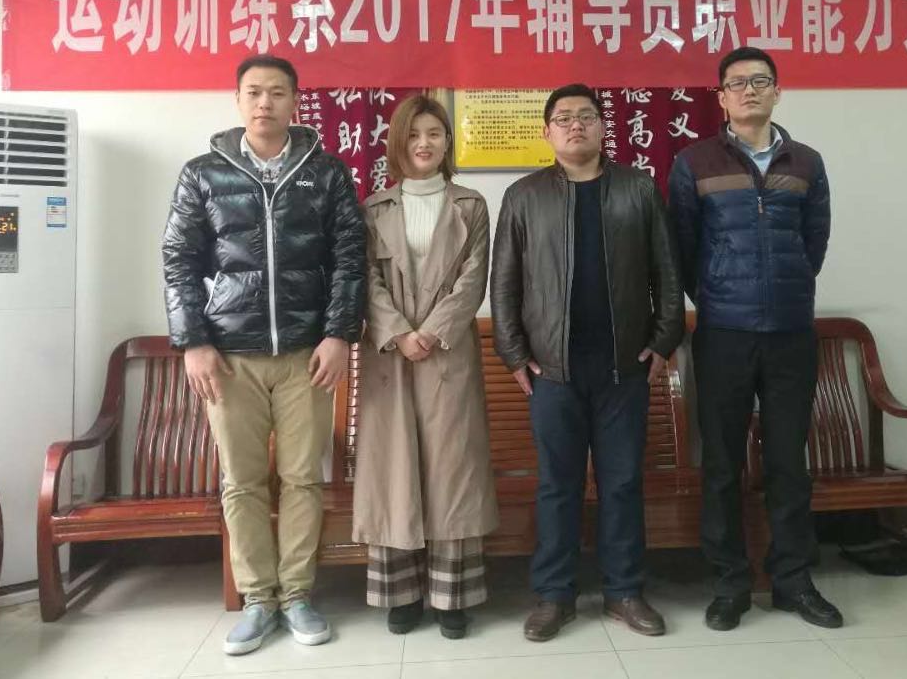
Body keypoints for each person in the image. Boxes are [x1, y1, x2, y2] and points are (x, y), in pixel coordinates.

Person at [162, 54, 367, 655]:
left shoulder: (326, 172)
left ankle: (297, 595)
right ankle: (258, 600)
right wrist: (194, 341)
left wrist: (339, 334)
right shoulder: (203, 173)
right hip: (230, 356)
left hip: (307, 353)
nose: (265, 103)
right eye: (254, 92)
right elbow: (178, 261)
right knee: (242, 482)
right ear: (238, 100)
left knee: (303, 478)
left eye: (277, 92)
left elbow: (350, 257)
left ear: (296, 102)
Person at [491, 84, 685, 642]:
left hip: (624, 367)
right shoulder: (524, 196)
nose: (575, 125)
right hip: (552, 371)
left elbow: (667, 273)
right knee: (558, 485)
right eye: (563, 118)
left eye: (586, 116)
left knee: (622, 482)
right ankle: (554, 596)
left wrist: (664, 340)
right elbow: (503, 283)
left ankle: (625, 591)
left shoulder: (637, 188)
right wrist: (514, 353)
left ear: (603, 127)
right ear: (547, 132)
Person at [668, 46, 842, 631]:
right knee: (721, 464)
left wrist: (788, 289)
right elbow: (683, 247)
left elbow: (814, 243)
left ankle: (793, 581)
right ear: (720, 97)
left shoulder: (807, 163)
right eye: (737, 83)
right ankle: (730, 583)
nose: (749, 91)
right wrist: (716, 293)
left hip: (791, 333)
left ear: (777, 92)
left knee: (789, 462)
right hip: (723, 334)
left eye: (760, 81)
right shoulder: (694, 162)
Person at [352, 95, 499, 640]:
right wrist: (398, 332)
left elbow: (474, 277)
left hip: (447, 352)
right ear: (398, 142)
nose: (424, 143)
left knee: (451, 470)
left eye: (435, 133)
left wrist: (432, 331)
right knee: (394, 468)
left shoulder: (471, 205)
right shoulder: (374, 208)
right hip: (389, 355)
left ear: (447, 141)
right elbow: (365, 278)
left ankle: (451, 596)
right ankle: (402, 593)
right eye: (414, 134)